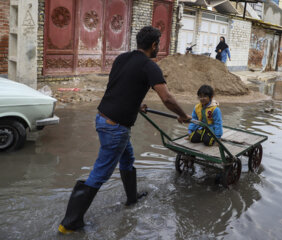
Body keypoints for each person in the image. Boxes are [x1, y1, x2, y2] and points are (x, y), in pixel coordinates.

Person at [58, 26, 192, 234]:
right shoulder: (150, 66)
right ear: (154, 45)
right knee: (100, 173)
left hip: (103, 119)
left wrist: (136, 105)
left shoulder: (122, 58)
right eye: (159, 44)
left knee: (127, 158)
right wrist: (183, 116)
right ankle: (70, 223)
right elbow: (167, 98)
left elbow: (118, 87)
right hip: (116, 128)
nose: (159, 48)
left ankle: (131, 198)